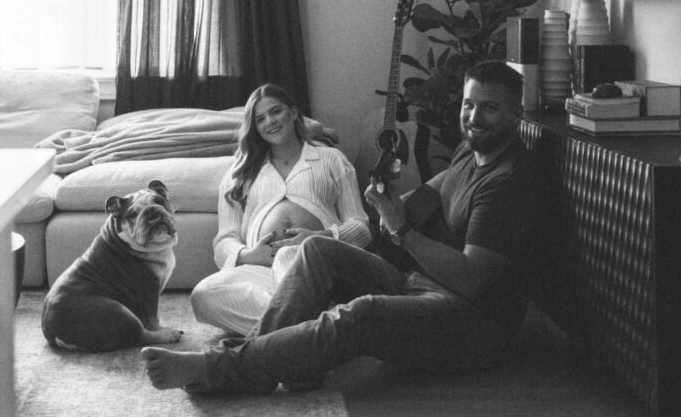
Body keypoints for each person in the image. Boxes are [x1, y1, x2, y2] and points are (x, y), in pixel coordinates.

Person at [142, 59, 545, 395]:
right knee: (316, 252)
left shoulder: (509, 183)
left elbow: (472, 280)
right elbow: (431, 193)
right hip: (419, 283)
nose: (474, 117)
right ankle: (264, 367)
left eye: (489, 108)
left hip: (468, 324)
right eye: (469, 105)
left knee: (361, 315)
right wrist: (390, 203)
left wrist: (401, 230)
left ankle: (225, 368)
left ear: (516, 113)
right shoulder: (470, 151)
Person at [190, 83, 371, 334]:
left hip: (317, 267)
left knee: (289, 255)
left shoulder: (332, 159)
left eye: (276, 112)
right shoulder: (239, 172)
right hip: (262, 270)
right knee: (203, 295)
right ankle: (317, 327)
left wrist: (321, 238)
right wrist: (247, 255)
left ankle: (283, 337)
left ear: (294, 113)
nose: (270, 122)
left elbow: (361, 228)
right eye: (260, 119)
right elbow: (224, 241)